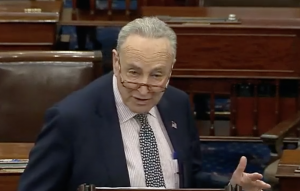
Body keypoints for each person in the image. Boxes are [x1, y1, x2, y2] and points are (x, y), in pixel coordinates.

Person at [17, 17, 271, 191]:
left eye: (156, 75)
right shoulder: (70, 119)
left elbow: (186, 177)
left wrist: (231, 185)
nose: (143, 88)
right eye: (134, 73)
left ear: (171, 69)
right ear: (116, 62)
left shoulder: (177, 103)